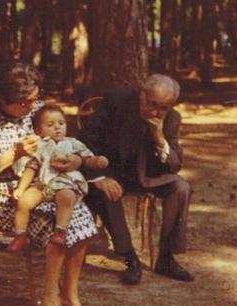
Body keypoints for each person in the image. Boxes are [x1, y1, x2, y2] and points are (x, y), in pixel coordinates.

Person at [0, 62, 98, 306]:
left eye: (36, 98)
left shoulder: (36, 109)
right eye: (25, 102)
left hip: (40, 188)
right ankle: (49, 305)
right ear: (4, 99)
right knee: (55, 225)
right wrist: (13, 154)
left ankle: (68, 298)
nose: (33, 106)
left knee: (79, 213)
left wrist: (73, 160)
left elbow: (63, 143)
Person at [78, 74, 195, 285]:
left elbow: (176, 165)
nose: (156, 112)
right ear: (142, 94)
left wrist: (160, 139)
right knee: (107, 191)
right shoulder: (116, 102)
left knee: (181, 187)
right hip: (111, 170)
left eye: (163, 108)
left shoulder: (172, 118)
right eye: (152, 104)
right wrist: (99, 177)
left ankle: (166, 258)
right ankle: (130, 258)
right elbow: (86, 139)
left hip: (146, 175)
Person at [7, 104, 108, 252]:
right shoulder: (40, 145)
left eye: (61, 123)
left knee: (66, 197)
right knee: (23, 202)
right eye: (50, 125)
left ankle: (60, 231)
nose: (57, 128)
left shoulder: (72, 143)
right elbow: (32, 167)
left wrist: (97, 161)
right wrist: (21, 188)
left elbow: (86, 158)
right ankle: (20, 235)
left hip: (65, 183)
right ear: (38, 131)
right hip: (42, 185)